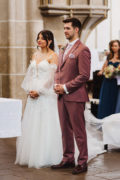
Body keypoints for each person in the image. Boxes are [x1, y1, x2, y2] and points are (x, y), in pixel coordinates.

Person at [15, 30, 63, 168]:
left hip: (46, 92)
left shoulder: (53, 56)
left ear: (50, 41)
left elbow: (51, 78)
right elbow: (30, 74)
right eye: (38, 38)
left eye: (43, 38)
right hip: (33, 92)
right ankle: (32, 153)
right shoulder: (35, 54)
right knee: (32, 122)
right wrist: (29, 89)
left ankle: (48, 154)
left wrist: (40, 91)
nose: (39, 40)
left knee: (46, 122)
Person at [52, 17, 91, 175]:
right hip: (61, 96)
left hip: (75, 96)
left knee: (78, 131)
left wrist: (66, 87)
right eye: (64, 28)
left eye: (68, 28)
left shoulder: (83, 49)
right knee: (65, 130)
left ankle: (82, 162)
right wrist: (57, 84)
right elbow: (59, 70)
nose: (65, 31)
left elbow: (84, 75)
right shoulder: (63, 49)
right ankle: (68, 158)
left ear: (76, 30)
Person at [97, 40, 120, 119]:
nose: (114, 47)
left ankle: (113, 120)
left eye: (116, 46)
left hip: (115, 82)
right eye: (112, 46)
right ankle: (104, 118)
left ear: (119, 46)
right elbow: (104, 66)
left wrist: (116, 72)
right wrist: (101, 71)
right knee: (105, 100)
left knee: (114, 100)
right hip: (107, 81)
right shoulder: (109, 56)